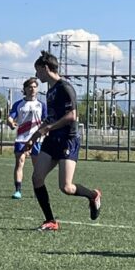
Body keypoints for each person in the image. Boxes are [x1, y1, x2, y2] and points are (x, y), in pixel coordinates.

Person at [24, 50, 101, 231]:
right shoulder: (50, 91)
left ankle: (93, 195)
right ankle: (50, 220)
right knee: (37, 178)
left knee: (66, 187)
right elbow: (50, 118)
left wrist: (49, 128)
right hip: (52, 139)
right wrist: (34, 136)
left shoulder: (65, 88)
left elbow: (72, 116)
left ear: (45, 68)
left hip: (68, 140)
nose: (36, 74)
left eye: (38, 70)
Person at [7, 77, 46, 199]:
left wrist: (46, 132)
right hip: (21, 139)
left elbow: (46, 120)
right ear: (25, 89)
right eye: (30, 87)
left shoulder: (42, 105)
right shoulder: (19, 104)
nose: (32, 89)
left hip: (36, 140)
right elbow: (10, 118)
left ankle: (37, 190)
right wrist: (10, 123)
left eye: (34, 87)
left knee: (37, 167)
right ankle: (18, 190)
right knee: (20, 163)